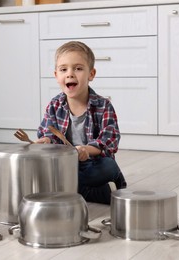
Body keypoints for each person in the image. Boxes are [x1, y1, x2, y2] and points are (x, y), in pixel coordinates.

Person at [35, 41, 127, 205]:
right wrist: (46, 141)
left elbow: (109, 142)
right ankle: (99, 193)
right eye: (64, 69)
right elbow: (48, 133)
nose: (70, 74)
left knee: (109, 166)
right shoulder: (54, 105)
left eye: (78, 68)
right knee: (45, 169)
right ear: (56, 75)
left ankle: (65, 189)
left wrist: (86, 150)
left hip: (94, 164)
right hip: (67, 165)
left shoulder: (103, 105)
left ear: (91, 74)